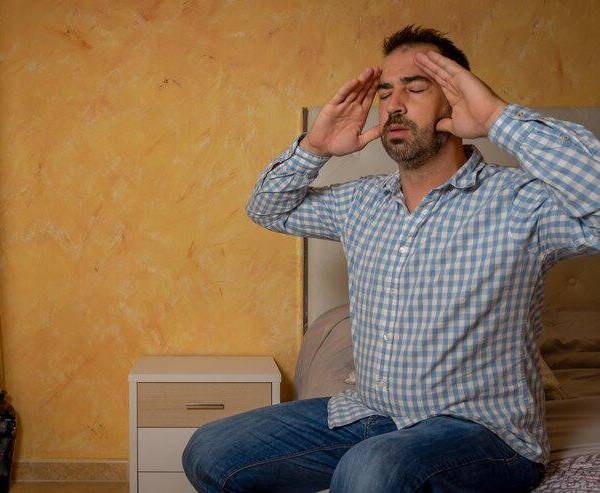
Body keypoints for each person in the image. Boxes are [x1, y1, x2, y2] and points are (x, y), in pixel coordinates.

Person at [182, 25, 599, 492]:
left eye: (415, 88)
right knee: (210, 451)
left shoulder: (523, 201)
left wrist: (498, 117)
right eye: (385, 92)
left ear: (456, 100)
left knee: (372, 469)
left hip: (482, 432)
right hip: (372, 413)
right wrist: (315, 149)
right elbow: (267, 208)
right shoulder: (361, 201)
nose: (394, 104)